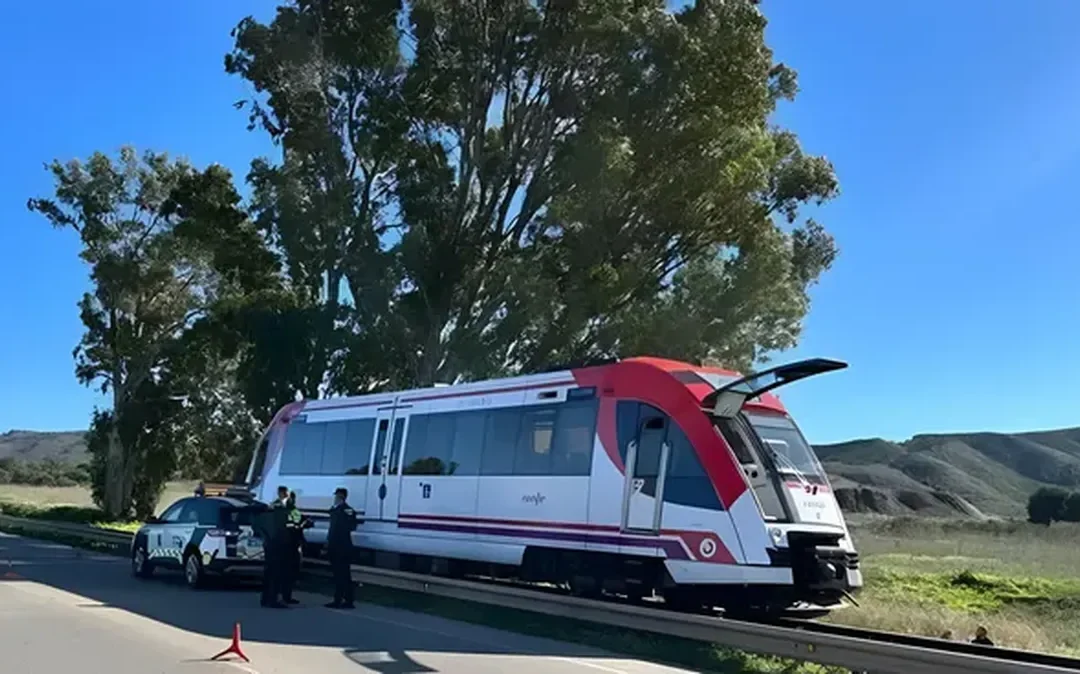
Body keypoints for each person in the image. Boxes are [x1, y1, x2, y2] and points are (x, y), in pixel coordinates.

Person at [256, 486, 291, 608]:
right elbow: (294, 521)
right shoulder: (281, 507)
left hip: (271, 543)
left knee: (269, 572)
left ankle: (266, 599)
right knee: (275, 573)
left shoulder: (272, 507)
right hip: (277, 544)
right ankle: (272, 599)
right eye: (285, 493)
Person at [325, 487, 358, 609]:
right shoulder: (335, 510)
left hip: (342, 547)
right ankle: (341, 599)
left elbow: (352, 526)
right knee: (338, 575)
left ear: (342, 497)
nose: (335, 498)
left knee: (343, 575)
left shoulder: (347, 510)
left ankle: (344, 600)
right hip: (334, 545)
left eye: (337, 496)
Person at [280, 491, 306, 605]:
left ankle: (286, 596)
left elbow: (299, 524)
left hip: (292, 545)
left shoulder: (293, 511)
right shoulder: (282, 510)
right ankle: (282, 596)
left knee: (290, 572)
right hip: (285, 545)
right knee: (284, 572)